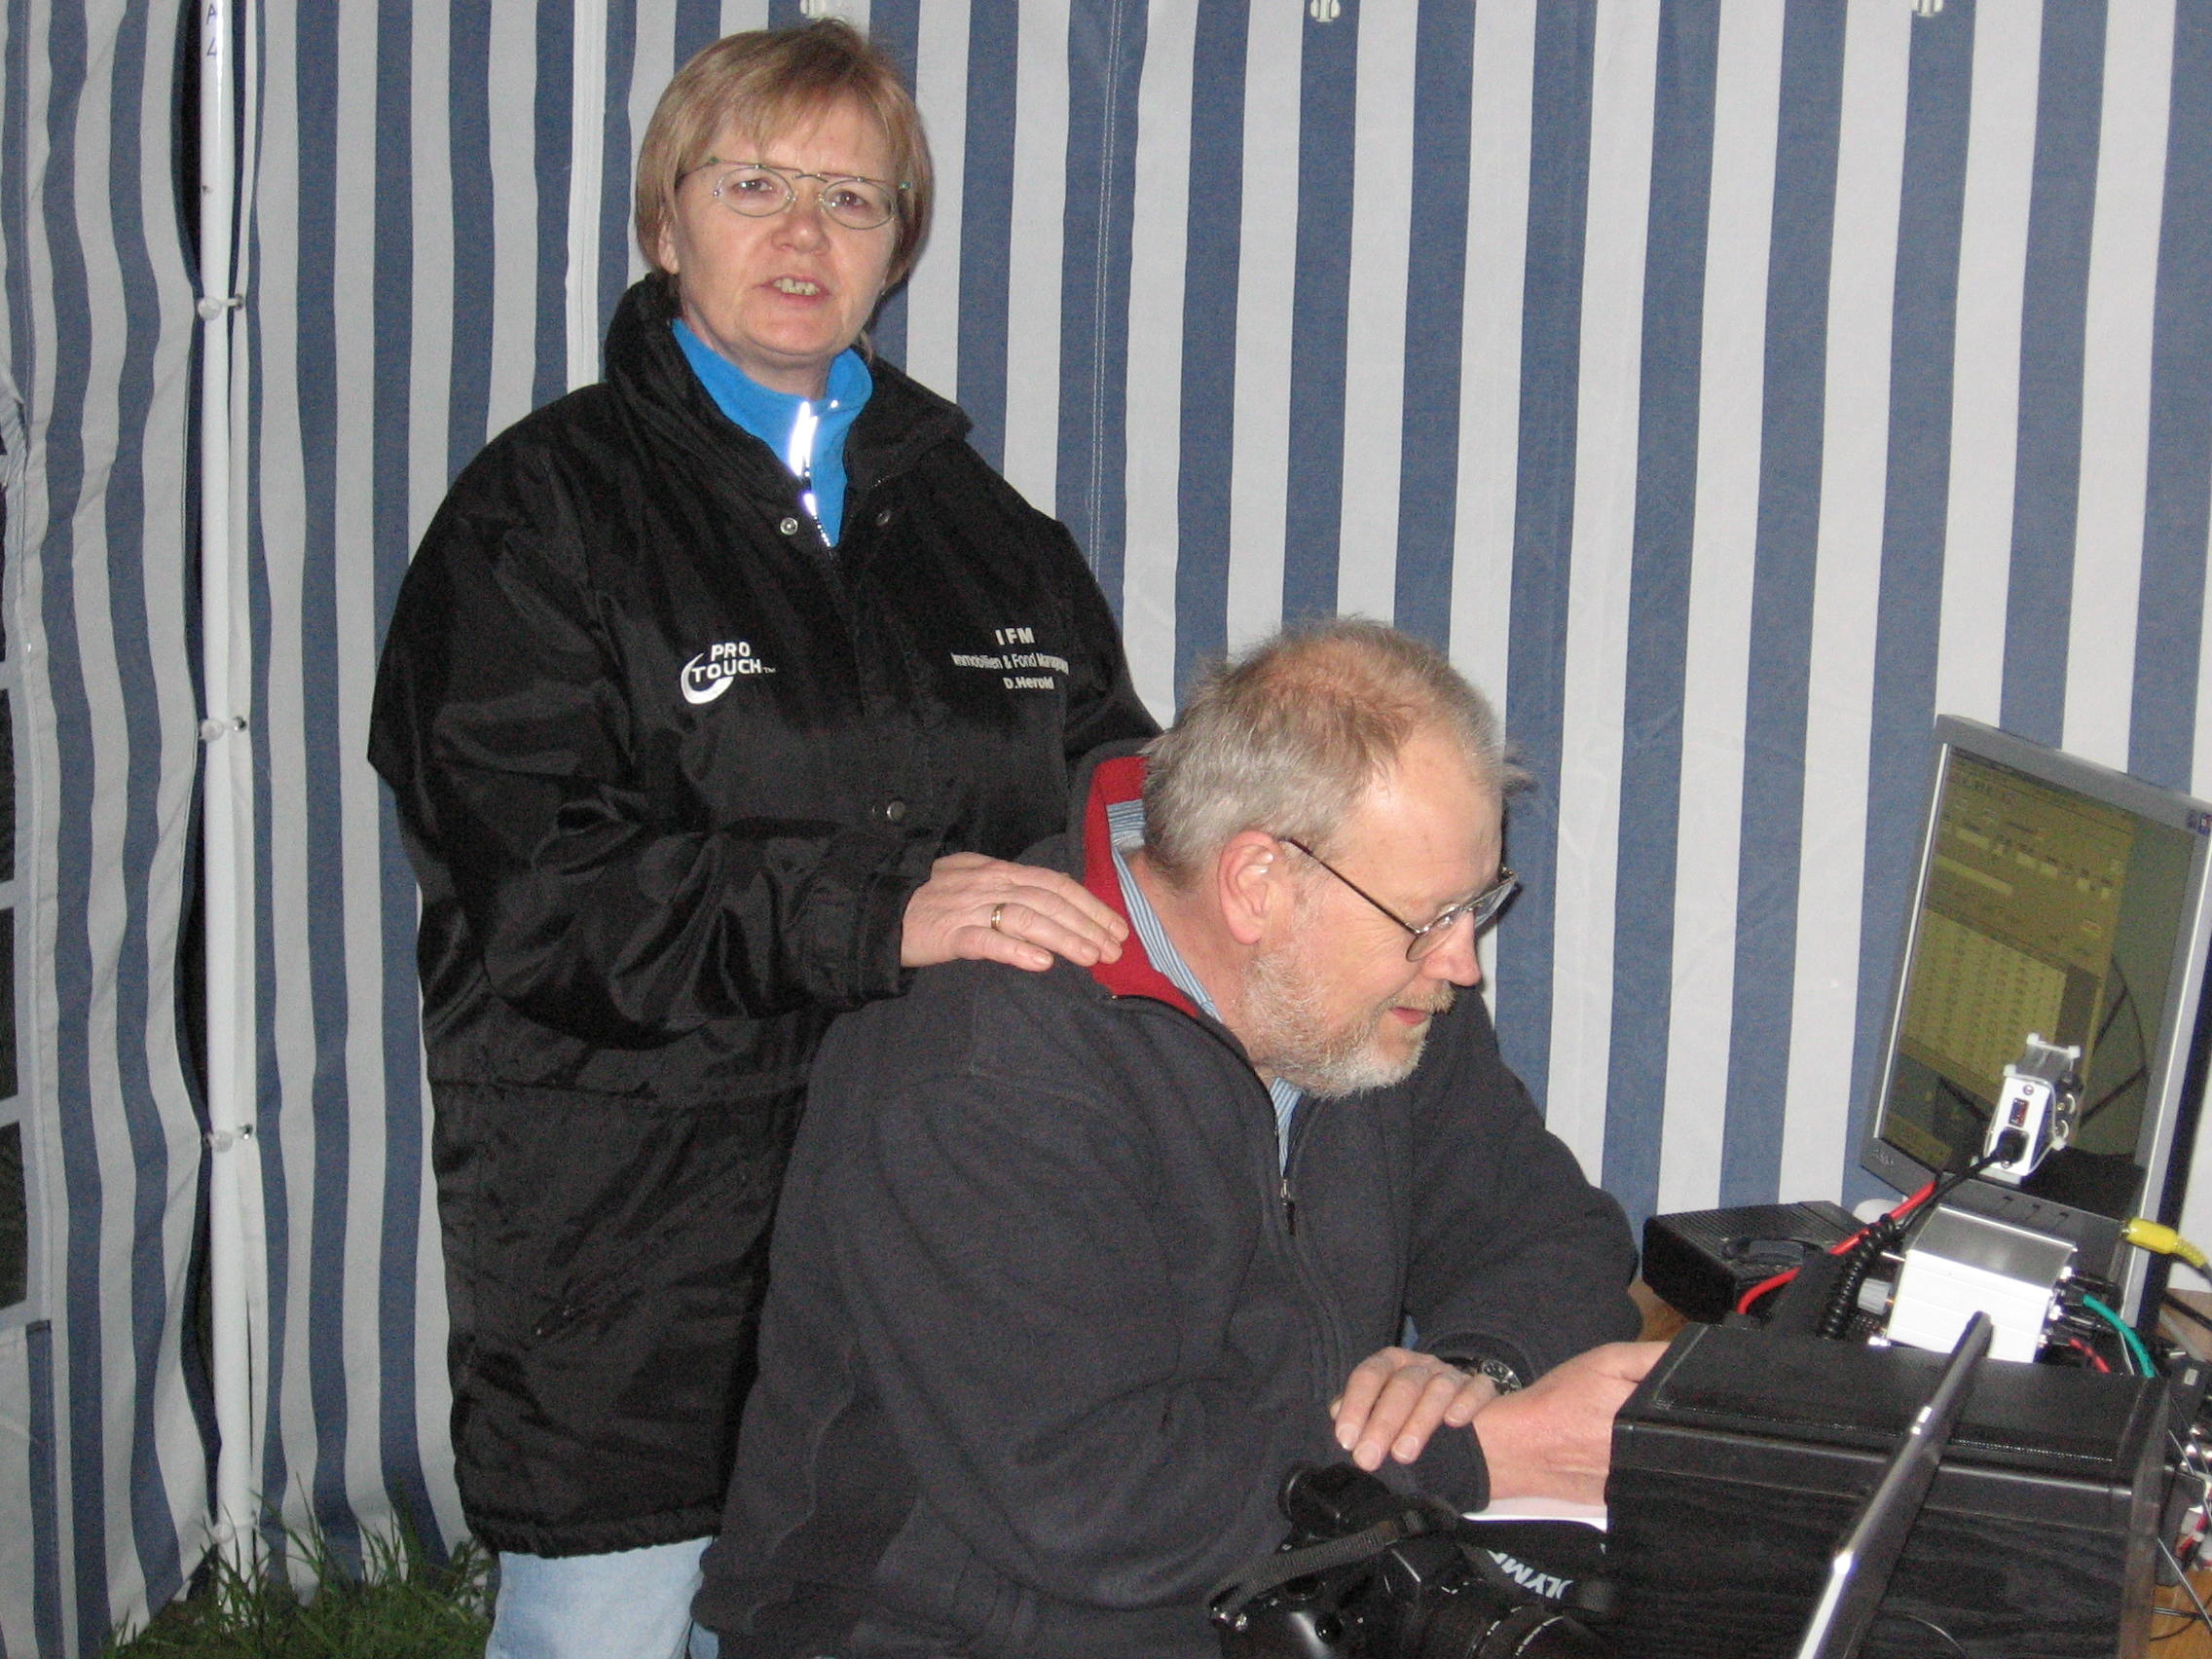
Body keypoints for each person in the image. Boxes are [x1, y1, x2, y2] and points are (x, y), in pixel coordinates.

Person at [367, 20, 1155, 1658]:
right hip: (636, 1238)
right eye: (753, 186)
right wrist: (877, 911)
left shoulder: (988, 531)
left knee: (863, 1614)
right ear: (666, 221)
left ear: (898, 246)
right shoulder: (541, 516)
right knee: (613, 1620)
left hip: (928, 1223)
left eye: (852, 199)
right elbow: (543, 897)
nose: (804, 234)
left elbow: (1110, 795)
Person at [694, 618, 1661, 1656]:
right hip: (935, 1634)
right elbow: (1094, 1500)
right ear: (1257, 884)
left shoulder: (1381, 1000)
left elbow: (1550, 1231)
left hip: (1269, 1589)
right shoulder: (984, 1066)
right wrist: (1472, 1459)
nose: (1462, 964)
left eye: (1477, 905)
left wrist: (1476, 1373)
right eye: (1431, 919)